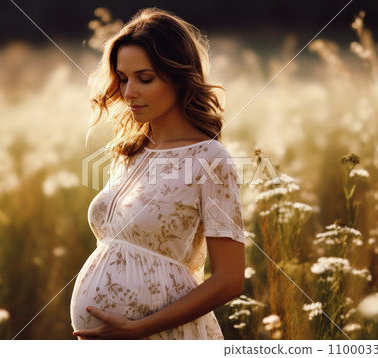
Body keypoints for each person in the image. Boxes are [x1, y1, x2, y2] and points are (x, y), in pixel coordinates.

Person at [70, 7, 246, 340]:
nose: (128, 92)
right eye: (123, 78)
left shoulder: (210, 159)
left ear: (179, 77)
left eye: (144, 78)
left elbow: (230, 279)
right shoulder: (129, 153)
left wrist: (138, 329)